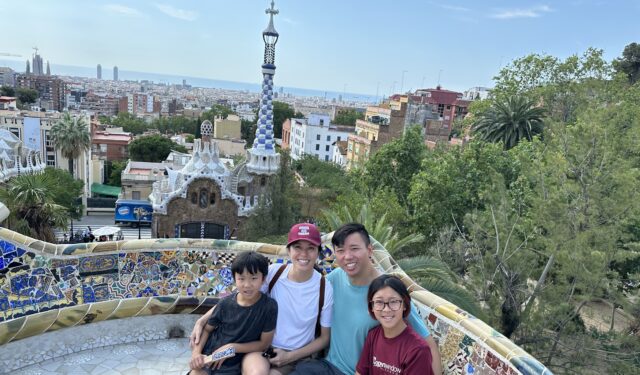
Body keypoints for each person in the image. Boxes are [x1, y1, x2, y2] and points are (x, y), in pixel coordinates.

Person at [291, 223, 442, 375]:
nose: (348, 256)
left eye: (354, 248)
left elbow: (427, 344)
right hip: (327, 366)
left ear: (369, 250)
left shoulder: (388, 291)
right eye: (341, 250)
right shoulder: (333, 280)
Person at [192, 223, 333, 375]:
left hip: (297, 356)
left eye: (310, 248)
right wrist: (202, 320)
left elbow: (324, 339)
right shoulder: (274, 273)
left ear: (318, 252)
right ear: (288, 250)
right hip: (262, 350)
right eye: (297, 247)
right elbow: (237, 297)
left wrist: (289, 356)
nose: (303, 254)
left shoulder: (324, 287)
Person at [189, 251, 278, 375]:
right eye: (241, 278)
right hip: (213, 356)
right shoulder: (225, 303)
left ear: (263, 279)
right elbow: (208, 329)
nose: (247, 285)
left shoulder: (269, 307)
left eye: (253, 278)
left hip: (239, 358)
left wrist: (232, 348)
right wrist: (196, 353)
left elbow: (264, 344)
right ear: (234, 279)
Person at [356, 275, 433, 375]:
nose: (386, 309)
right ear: (371, 307)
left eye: (393, 302)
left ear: (404, 304)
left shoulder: (418, 350)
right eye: (379, 302)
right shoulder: (373, 336)